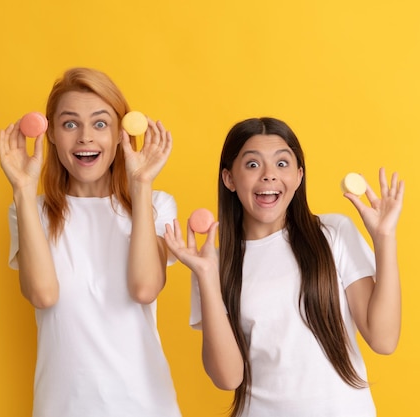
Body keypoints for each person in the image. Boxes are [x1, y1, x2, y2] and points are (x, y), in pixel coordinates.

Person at [164, 117, 404, 417]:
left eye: (282, 164)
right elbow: (228, 378)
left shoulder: (333, 233)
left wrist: (384, 239)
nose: (269, 176)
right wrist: (206, 277)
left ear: (299, 175)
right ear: (229, 179)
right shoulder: (213, 263)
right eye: (252, 165)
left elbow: (383, 339)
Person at [0, 67, 181, 417]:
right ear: (50, 134)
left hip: (146, 405)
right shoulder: (29, 211)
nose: (85, 138)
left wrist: (140, 186)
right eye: (70, 124)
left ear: (120, 135)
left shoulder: (156, 204)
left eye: (100, 124)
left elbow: (145, 288)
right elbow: (43, 295)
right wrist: (22, 188)